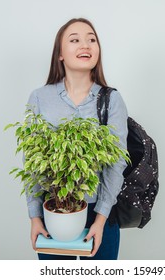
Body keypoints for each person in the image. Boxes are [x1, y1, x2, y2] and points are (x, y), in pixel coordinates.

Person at [24, 18, 128, 260]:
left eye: (92, 39)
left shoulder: (111, 99)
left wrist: (100, 220)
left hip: (100, 210)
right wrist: (35, 218)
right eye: (75, 40)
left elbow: (116, 162)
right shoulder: (40, 97)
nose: (86, 45)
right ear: (60, 53)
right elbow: (31, 162)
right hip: (54, 211)